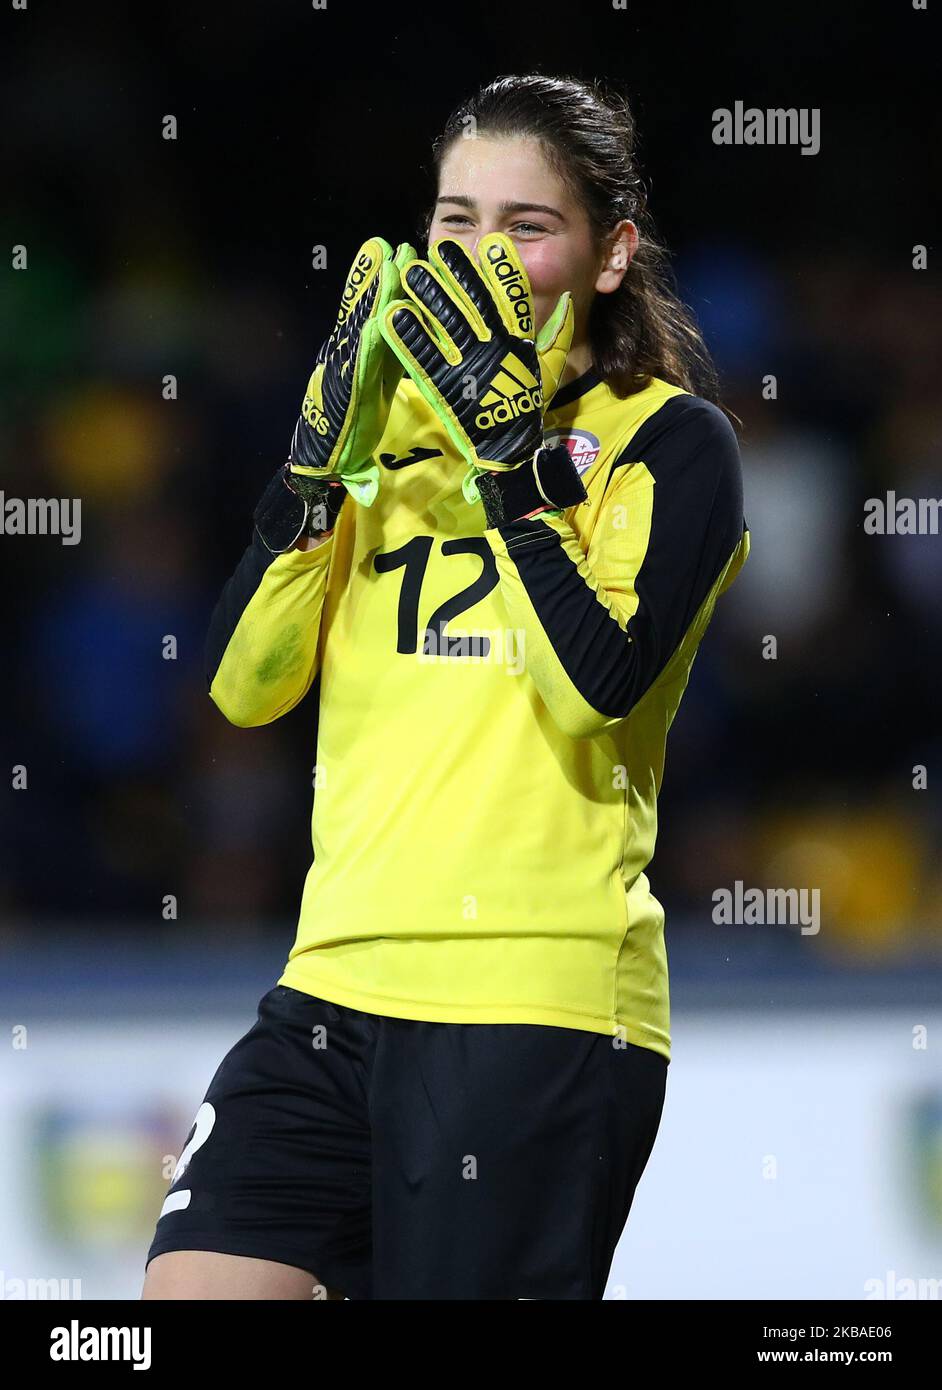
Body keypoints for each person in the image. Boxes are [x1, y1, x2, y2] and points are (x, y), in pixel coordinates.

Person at [142, 72, 749, 1301]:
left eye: (527, 226)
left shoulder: (673, 443)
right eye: (454, 220)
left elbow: (598, 687)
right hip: (332, 982)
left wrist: (512, 463)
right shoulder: (384, 436)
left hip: (532, 1000)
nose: (480, 256)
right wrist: (312, 478)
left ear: (611, 254)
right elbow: (242, 691)